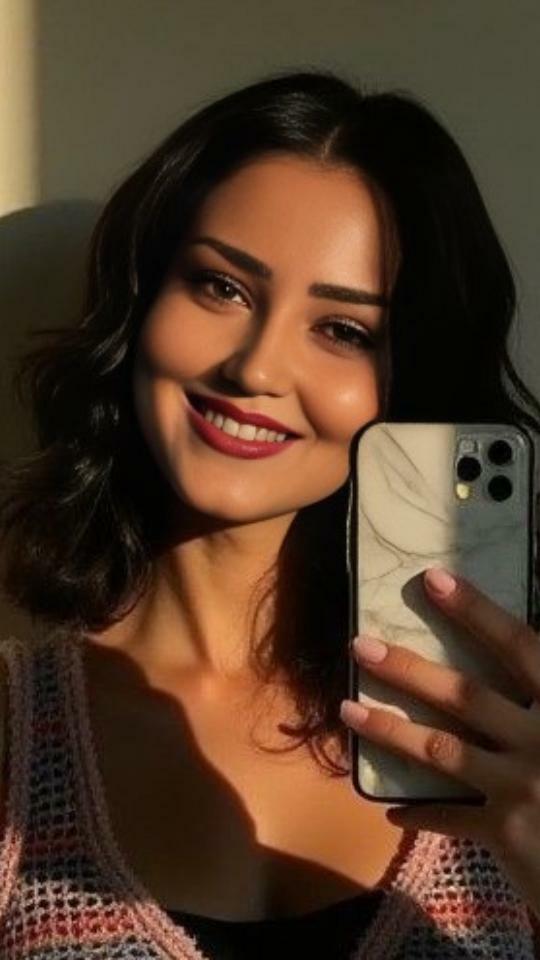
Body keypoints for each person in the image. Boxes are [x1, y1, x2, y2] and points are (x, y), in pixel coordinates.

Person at [0, 67, 539, 959]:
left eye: (343, 330)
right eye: (222, 287)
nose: (254, 368)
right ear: (141, 300)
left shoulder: (510, 731)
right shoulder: (19, 735)